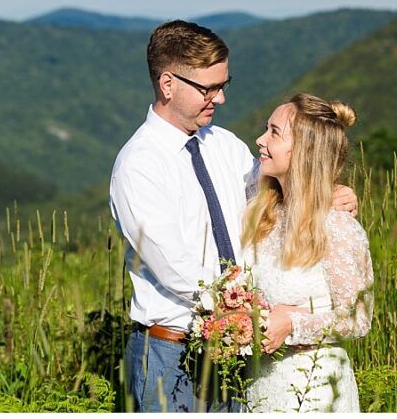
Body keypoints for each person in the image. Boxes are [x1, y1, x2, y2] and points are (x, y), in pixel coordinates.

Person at [110, 21, 356, 412]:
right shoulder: (139, 166)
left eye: (224, 84)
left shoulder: (224, 146)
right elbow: (179, 272)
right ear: (168, 84)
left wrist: (327, 199)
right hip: (171, 353)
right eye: (208, 88)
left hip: (240, 352)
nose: (220, 98)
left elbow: (278, 197)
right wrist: (263, 317)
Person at [240, 94, 373, 412]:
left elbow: (359, 319)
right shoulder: (263, 211)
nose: (260, 140)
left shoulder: (337, 225)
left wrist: (292, 324)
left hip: (315, 390)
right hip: (260, 387)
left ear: (303, 151)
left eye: (274, 132)